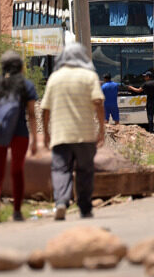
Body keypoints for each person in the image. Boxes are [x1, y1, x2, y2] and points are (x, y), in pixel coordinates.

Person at [41, 43, 105, 220]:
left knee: (61, 169)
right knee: (85, 170)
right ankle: (85, 208)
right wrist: (102, 128)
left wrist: (46, 132)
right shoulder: (89, 76)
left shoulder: (54, 78)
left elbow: (45, 109)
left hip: (61, 135)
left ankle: (61, 202)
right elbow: (98, 102)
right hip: (85, 135)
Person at [0, 51, 38, 223]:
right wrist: (36, 139)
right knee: (17, 172)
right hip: (20, 133)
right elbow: (31, 114)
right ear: (21, 67)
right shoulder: (26, 85)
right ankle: (16, 212)